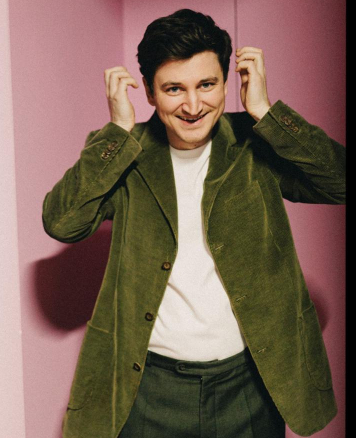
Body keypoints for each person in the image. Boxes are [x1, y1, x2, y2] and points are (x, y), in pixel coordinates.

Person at [42, 9, 345, 438]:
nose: (193, 105)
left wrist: (266, 112)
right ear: (149, 91)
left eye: (207, 84)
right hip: (149, 390)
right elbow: (61, 222)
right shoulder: (124, 152)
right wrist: (118, 131)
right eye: (174, 89)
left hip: (249, 386)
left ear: (226, 83)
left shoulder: (255, 143)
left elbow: (339, 181)